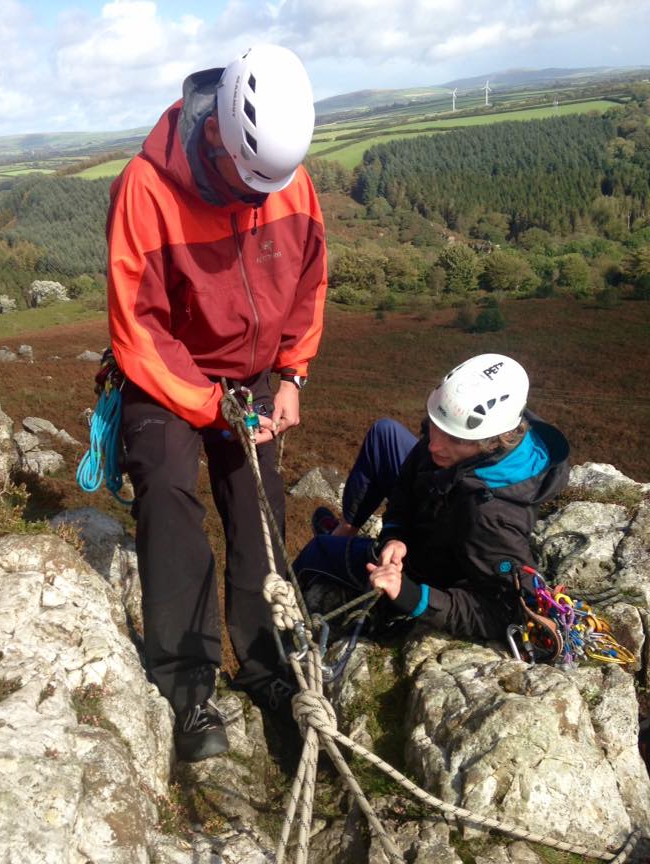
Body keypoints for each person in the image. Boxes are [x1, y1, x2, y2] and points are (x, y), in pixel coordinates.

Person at [106, 43, 327, 762]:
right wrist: (206, 405)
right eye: (252, 175)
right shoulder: (148, 187)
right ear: (220, 135)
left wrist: (292, 374)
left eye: (277, 178)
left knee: (259, 508)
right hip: (165, 374)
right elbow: (138, 323)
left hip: (253, 376)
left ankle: (267, 670)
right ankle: (189, 688)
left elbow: (309, 281)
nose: (266, 193)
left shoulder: (287, 180)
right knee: (168, 496)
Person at [294, 354, 570, 643]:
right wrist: (394, 536)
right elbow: (405, 485)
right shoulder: (465, 433)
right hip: (434, 513)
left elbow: (503, 612)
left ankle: (273, 650)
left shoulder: (491, 518)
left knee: (319, 550)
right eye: (434, 426)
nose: (434, 444)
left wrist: (411, 596)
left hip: (426, 573)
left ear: (492, 441)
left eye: (454, 438)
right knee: (385, 433)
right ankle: (344, 532)